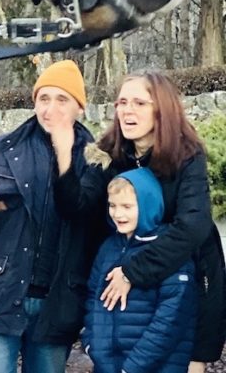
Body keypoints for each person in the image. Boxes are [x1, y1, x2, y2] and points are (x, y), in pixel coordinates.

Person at [55, 71, 226, 373]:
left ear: (162, 109)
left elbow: (193, 225)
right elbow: (81, 209)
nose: (127, 110)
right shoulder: (108, 154)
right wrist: (65, 162)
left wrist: (133, 271)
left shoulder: (186, 154)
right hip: (127, 309)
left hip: (185, 284)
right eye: (122, 102)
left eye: (139, 103)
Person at [0, 60, 103, 373]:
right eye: (43, 99)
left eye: (62, 100)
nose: (51, 108)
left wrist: (64, 156)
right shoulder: (0, 148)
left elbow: (88, 216)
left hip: (55, 304)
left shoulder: (96, 158)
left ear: (80, 108)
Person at [82, 169, 196, 373]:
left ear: (147, 205)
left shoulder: (167, 248)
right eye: (112, 205)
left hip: (155, 367)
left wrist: (133, 367)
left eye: (127, 206)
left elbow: (171, 318)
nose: (118, 214)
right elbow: (92, 296)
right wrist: (91, 344)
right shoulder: (109, 247)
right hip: (107, 365)